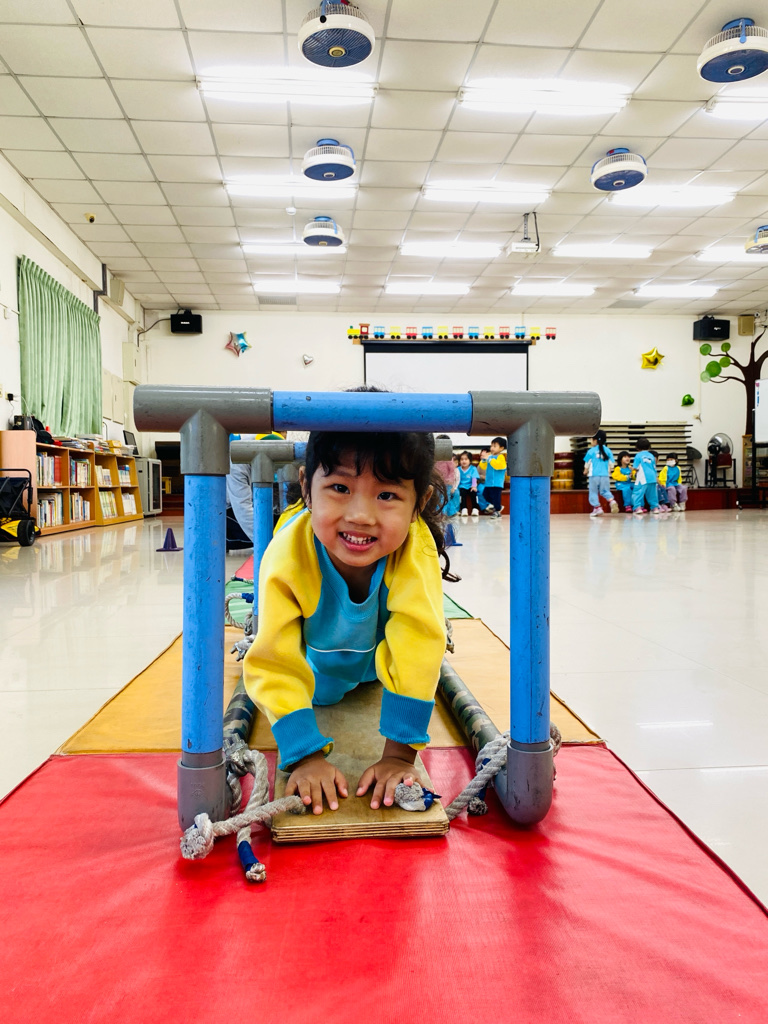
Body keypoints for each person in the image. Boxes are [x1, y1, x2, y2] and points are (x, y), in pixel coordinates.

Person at [242, 415, 456, 816]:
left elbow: (419, 642)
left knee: (411, 654)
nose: (361, 515)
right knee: (316, 689)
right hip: (318, 669)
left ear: (419, 504)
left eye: (387, 495)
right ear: (307, 487)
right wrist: (304, 756)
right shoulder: (288, 553)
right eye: (340, 488)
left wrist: (399, 755)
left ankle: (371, 678)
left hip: (374, 665)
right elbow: (274, 658)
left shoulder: (415, 548)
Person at [584, 429, 617, 516]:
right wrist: (610, 469)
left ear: (595, 440)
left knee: (593, 492)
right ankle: (611, 501)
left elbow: (587, 463)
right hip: (605, 475)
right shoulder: (608, 450)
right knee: (605, 491)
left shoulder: (591, 451)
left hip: (594, 475)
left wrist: (585, 470)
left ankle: (597, 508)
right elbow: (612, 463)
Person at [632, 437, 660, 516]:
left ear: (637, 447)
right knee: (652, 494)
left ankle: (637, 507)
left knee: (637, 492)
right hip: (652, 477)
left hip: (642, 477)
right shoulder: (651, 456)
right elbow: (654, 467)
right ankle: (655, 508)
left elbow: (635, 467)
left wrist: (632, 472)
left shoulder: (638, 455)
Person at [434, 439, 460, 517]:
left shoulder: (449, 460)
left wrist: (450, 482)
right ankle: (439, 513)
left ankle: (444, 513)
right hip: (438, 483)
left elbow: (452, 471)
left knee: (445, 498)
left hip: (447, 484)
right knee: (438, 498)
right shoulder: (436, 460)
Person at [482, 437, 507, 517]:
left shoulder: (501, 457)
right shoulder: (490, 456)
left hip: (497, 482)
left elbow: (499, 466)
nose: (492, 448)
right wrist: (483, 460)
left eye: (495, 446)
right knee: (485, 495)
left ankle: (497, 511)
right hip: (488, 482)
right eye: (491, 446)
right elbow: (483, 467)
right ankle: (498, 506)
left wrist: (489, 459)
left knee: (496, 497)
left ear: (501, 448)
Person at [457, 450, 479, 516]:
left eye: (466, 459)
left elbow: (474, 478)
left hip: (470, 486)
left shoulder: (473, 468)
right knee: (462, 494)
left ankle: (475, 509)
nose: (464, 461)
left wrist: (474, 486)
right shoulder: (458, 469)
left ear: (470, 460)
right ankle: (464, 509)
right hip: (462, 486)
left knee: (473, 493)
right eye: (462, 459)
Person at [476, 447, 490, 512]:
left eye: (484, 455)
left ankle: (490, 505)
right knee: (480, 490)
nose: (482, 457)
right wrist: (482, 477)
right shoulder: (480, 465)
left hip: (491, 483)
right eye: (481, 455)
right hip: (482, 483)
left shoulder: (493, 464)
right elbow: (476, 474)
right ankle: (484, 507)